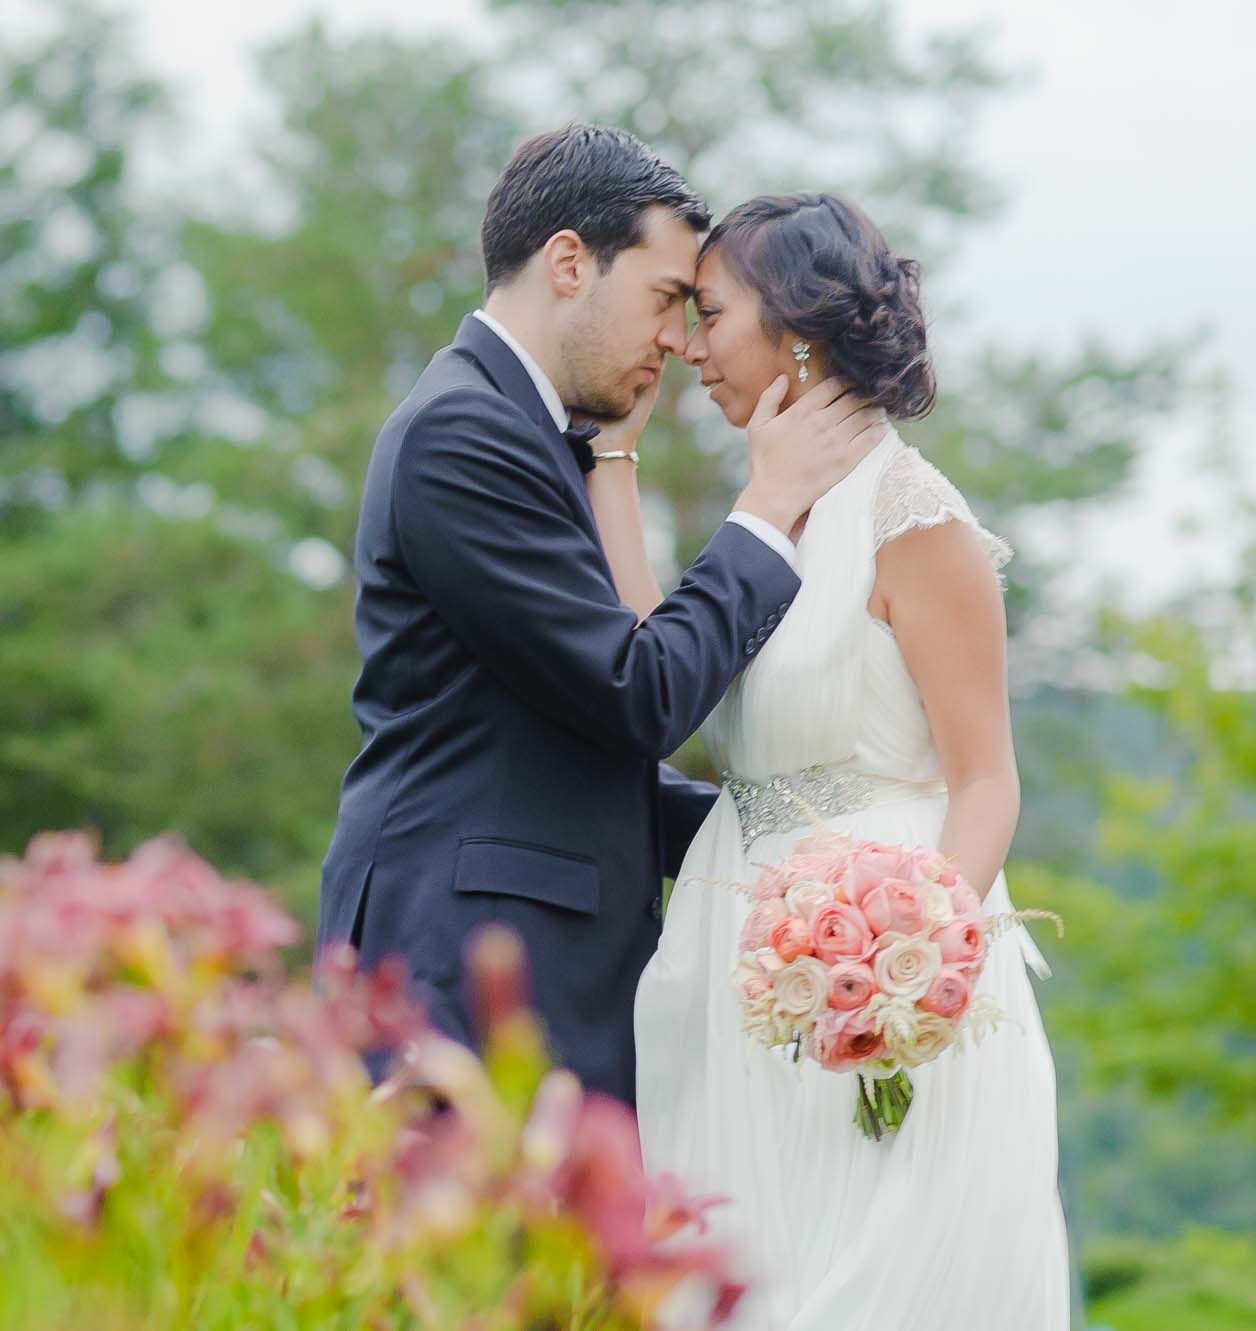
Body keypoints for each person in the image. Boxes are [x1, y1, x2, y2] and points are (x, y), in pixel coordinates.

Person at [314, 124, 885, 1106]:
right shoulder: (464, 432)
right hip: (464, 971)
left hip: (516, 958)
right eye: (665, 298)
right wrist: (763, 510)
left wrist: (790, 849)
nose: (676, 340)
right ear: (569, 262)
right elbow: (636, 692)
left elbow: (562, 745)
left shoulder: (521, 430)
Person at [624, 193, 1070, 1329]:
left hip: (876, 989)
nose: (684, 343)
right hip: (734, 969)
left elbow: (984, 779)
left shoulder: (912, 514)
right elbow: (640, 671)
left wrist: (906, 953)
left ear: (796, 330)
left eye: (707, 313)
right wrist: (610, 449)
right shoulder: (767, 513)